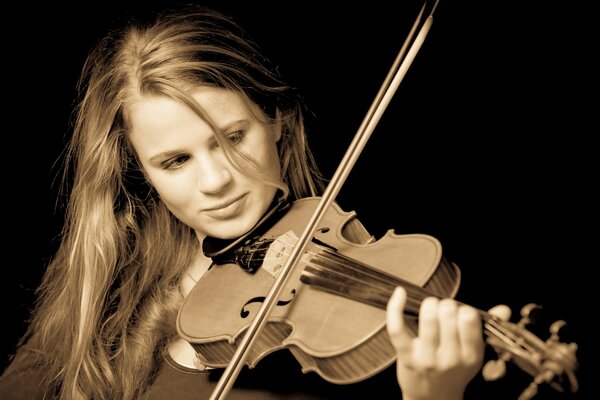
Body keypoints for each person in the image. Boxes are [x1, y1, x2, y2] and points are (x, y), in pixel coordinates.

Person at [0, 6, 501, 400]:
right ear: (141, 175)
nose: (217, 180)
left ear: (275, 120)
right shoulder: (103, 297)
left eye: (233, 137)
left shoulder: (363, 324)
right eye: (176, 161)